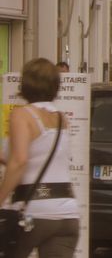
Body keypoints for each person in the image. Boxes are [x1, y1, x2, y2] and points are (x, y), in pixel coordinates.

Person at [0, 58, 79, 257]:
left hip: (33, 213)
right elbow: (37, 155)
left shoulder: (22, 115)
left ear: (25, 84)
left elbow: (19, 161)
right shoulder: (62, 119)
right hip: (67, 215)